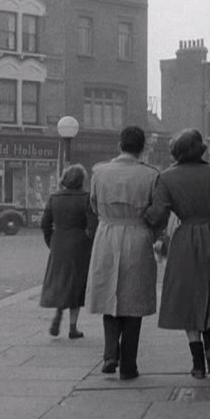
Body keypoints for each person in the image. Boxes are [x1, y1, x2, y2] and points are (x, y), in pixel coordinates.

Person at [146, 128, 210, 379]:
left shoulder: (166, 178)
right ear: (200, 149)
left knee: (188, 298)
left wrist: (142, 220)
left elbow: (157, 215)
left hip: (185, 240)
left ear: (176, 152)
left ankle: (197, 360)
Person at [86, 126, 160, 380]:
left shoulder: (99, 172)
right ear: (142, 148)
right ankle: (128, 363)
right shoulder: (151, 175)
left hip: (107, 235)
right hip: (138, 236)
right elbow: (157, 212)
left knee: (110, 296)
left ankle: (110, 354)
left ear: (120, 145)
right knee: (133, 301)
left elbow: (94, 204)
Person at [40, 164, 97, 339]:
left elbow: (44, 223)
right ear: (82, 180)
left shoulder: (54, 197)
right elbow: (93, 226)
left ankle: (59, 310)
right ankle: (73, 326)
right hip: (79, 244)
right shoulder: (86, 198)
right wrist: (88, 241)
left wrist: (52, 241)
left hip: (59, 242)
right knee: (76, 283)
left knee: (60, 279)